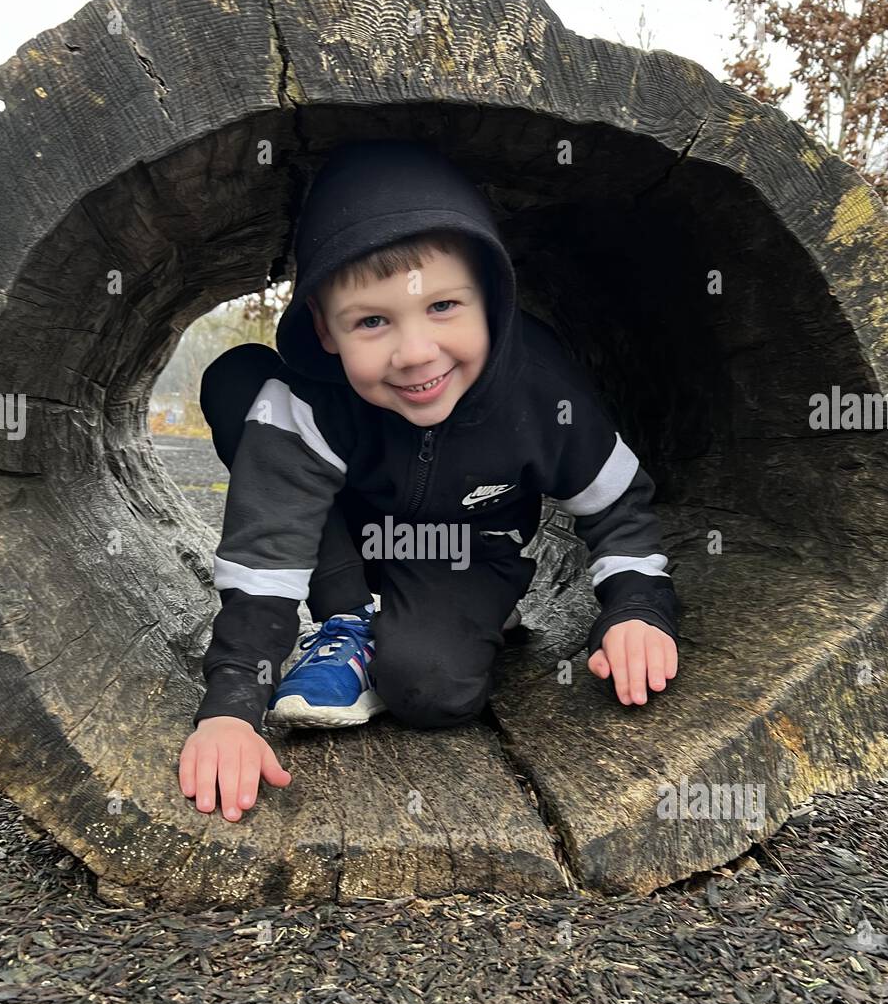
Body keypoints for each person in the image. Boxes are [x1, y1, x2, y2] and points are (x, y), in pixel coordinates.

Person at [179, 138, 681, 822]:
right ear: (325, 330)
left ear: (491, 298)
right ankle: (346, 622)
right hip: (347, 529)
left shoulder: (541, 393)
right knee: (242, 381)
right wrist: (232, 706)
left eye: (443, 307)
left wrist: (635, 610)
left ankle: (463, 615)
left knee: (431, 689)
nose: (415, 353)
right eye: (373, 321)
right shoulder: (316, 400)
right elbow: (266, 552)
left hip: (466, 546)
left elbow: (618, 506)